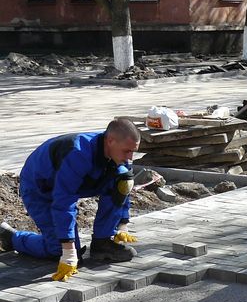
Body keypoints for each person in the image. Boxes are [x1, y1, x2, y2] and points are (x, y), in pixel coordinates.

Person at [0, 118, 141, 281]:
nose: (130, 157)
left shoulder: (118, 152)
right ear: (110, 141)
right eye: (126, 151)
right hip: (40, 189)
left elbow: (124, 187)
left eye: (133, 151)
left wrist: (122, 224)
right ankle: (12, 238)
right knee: (59, 250)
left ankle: (102, 244)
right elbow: (64, 203)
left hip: (75, 183)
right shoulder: (77, 154)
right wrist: (68, 251)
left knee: (121, 179)